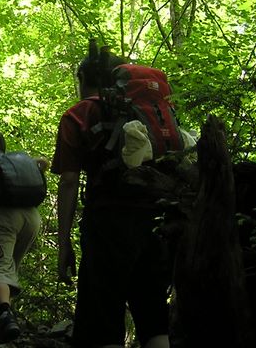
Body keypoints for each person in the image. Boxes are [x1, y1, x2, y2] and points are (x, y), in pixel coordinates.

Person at [52, 48, 171, 348]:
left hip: (107, 223)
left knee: (103, 319)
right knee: (154, 315)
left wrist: (64, 243)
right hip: (157, 219)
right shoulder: (148, 111)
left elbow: (68, 181)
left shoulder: (77, 115)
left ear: (83, 78)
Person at [0, 129, 49, 346]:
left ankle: (5, 315)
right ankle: (5, 319)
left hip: (6, 215)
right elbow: (44, 162)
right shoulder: (17, 161)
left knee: (1, 266)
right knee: (11, 266)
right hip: (32, 217)